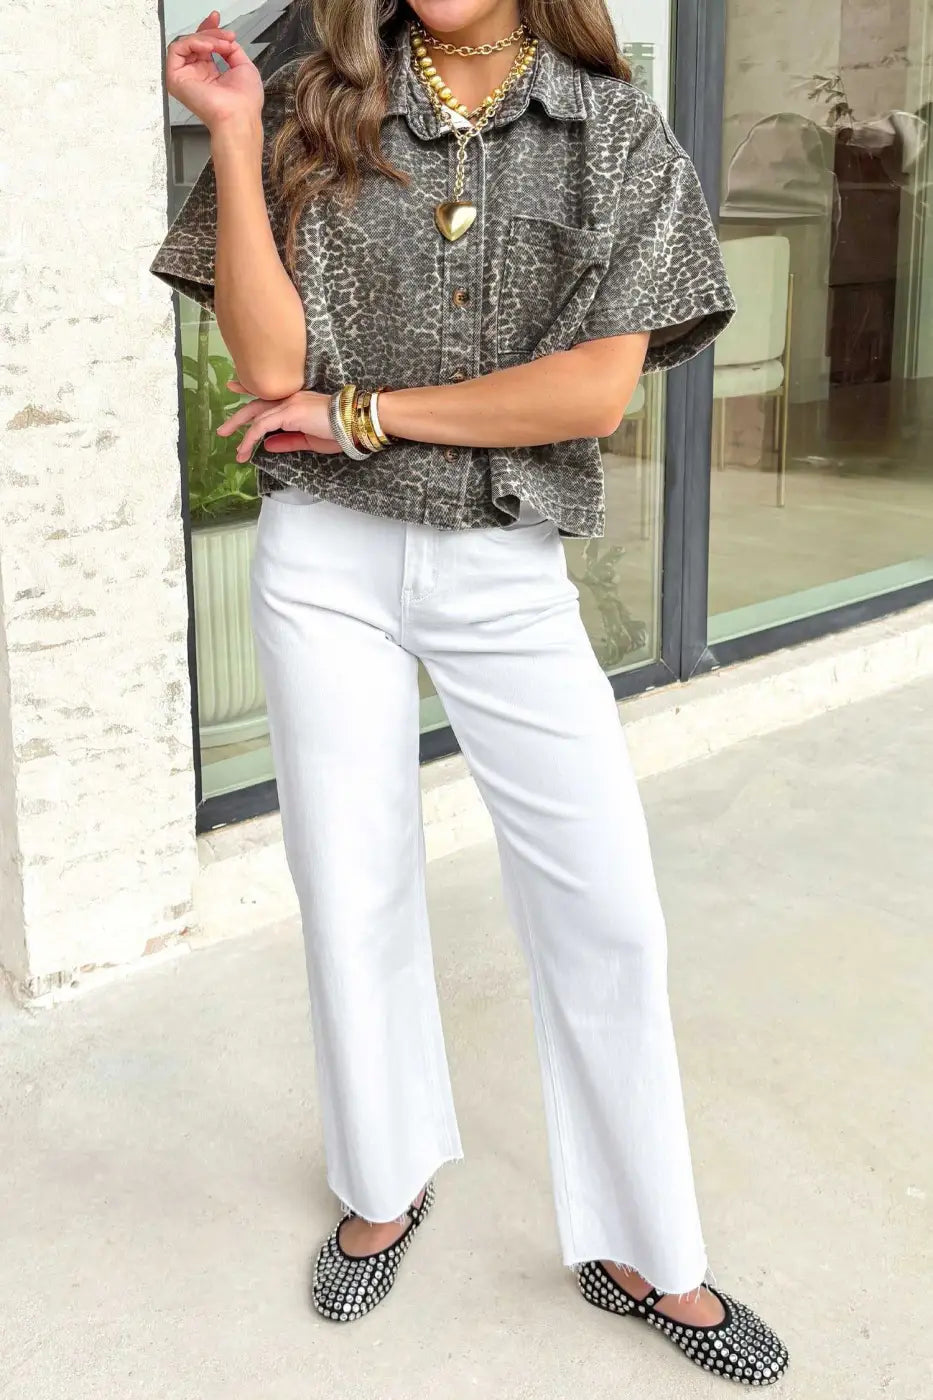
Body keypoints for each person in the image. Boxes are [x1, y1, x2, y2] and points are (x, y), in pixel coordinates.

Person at [151, 0, 789, 1382]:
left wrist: (360, 410)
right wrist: (239, 128)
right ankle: (383, 1177)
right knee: (350, 876)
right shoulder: (307, 96)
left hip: (500, 562)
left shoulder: (607, 126)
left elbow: (593, 393)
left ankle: (643, 1246)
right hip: (322, 553)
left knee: (602, 904)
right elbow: (267, 371)